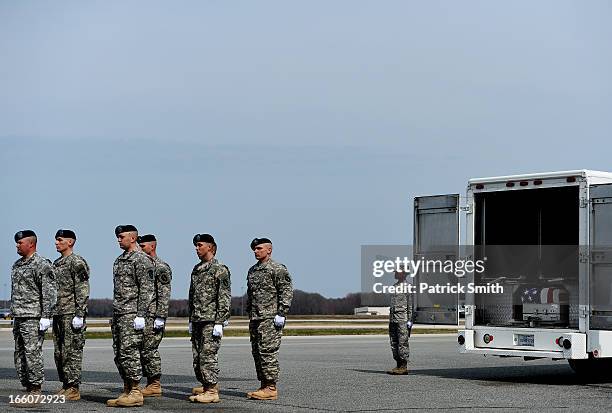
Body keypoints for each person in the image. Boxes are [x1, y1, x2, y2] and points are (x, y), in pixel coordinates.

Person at [107, 225, 154, 408]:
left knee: (130, 352)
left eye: (121, 237)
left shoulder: (142, 260)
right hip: (120, 313)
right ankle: (127, 389)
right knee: (119, 354)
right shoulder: (119, 260)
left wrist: (141, 314)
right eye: (117, 237)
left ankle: (135, 391)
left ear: (132, 238)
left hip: (132, 314)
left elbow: (147, 289)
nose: (118, 240)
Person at [10, 230, 57, 407]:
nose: (17, 245)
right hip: (20, 315)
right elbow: (15, 292)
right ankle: (28, 388)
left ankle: (36, 391)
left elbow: (49, 293)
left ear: (31, 244)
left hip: (33, 317)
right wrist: (14, 313)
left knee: (32, 354)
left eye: (20, 243)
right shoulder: (17, 265)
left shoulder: (42, 264)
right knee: (20, 355)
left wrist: (46, 316)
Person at [246, 238, 293, 401]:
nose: (255, 251)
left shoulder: (277, 269)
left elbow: (286, 291)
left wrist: (282, 313)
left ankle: (271, 387)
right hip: (255, 318)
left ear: (269, 250)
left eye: (259, 248)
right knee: (257, 353)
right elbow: (250, 295)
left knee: (268, 352)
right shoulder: (253, 270)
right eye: (254, 249)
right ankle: (264, 385)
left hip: (270, 318)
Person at [188, 233, 231, 404]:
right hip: (198, 319)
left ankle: (212, 391)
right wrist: (190, 319)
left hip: (211, 320)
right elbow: (192, 296)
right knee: (197, 357)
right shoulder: (197, 269)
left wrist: (220, 322)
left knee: (208, 356)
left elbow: (224, 297)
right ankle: (206, 386)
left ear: (210, 247)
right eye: (196, 246)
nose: (197, 249)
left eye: (200, 245)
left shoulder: (220, 269)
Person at [52, 229, 90, 401]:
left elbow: (82, 289)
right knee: (59, 352)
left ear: (70, 242)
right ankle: (66, 384)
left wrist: (80, 314)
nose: (56, 243)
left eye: (60, 240)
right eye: (56, 240)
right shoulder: (57, 263)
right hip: (58, 313)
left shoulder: (77, 262)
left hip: (71, 314)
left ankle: (73, 387)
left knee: (71, 351)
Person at [137, 234, 172, 397]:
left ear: (152, 246)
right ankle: (149, 382)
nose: (140, 249)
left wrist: (161, 316)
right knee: (142, 350)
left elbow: (164, 294)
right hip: (142, 315)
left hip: (153, 316)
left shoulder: (161, 267)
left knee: (149, 350)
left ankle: (154, 383)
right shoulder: (142, 266)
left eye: (143, 246)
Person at [387, 270, 413, 375]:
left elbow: (410, 306)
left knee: (403, 343)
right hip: (393, 319)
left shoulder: (408, 287)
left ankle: (403, 366)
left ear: (403, 273)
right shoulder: (394, 287)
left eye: (397, 272)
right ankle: (398, 364)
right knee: (394, 342)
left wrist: (410, 322)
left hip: (403, 320)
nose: (395, 274)